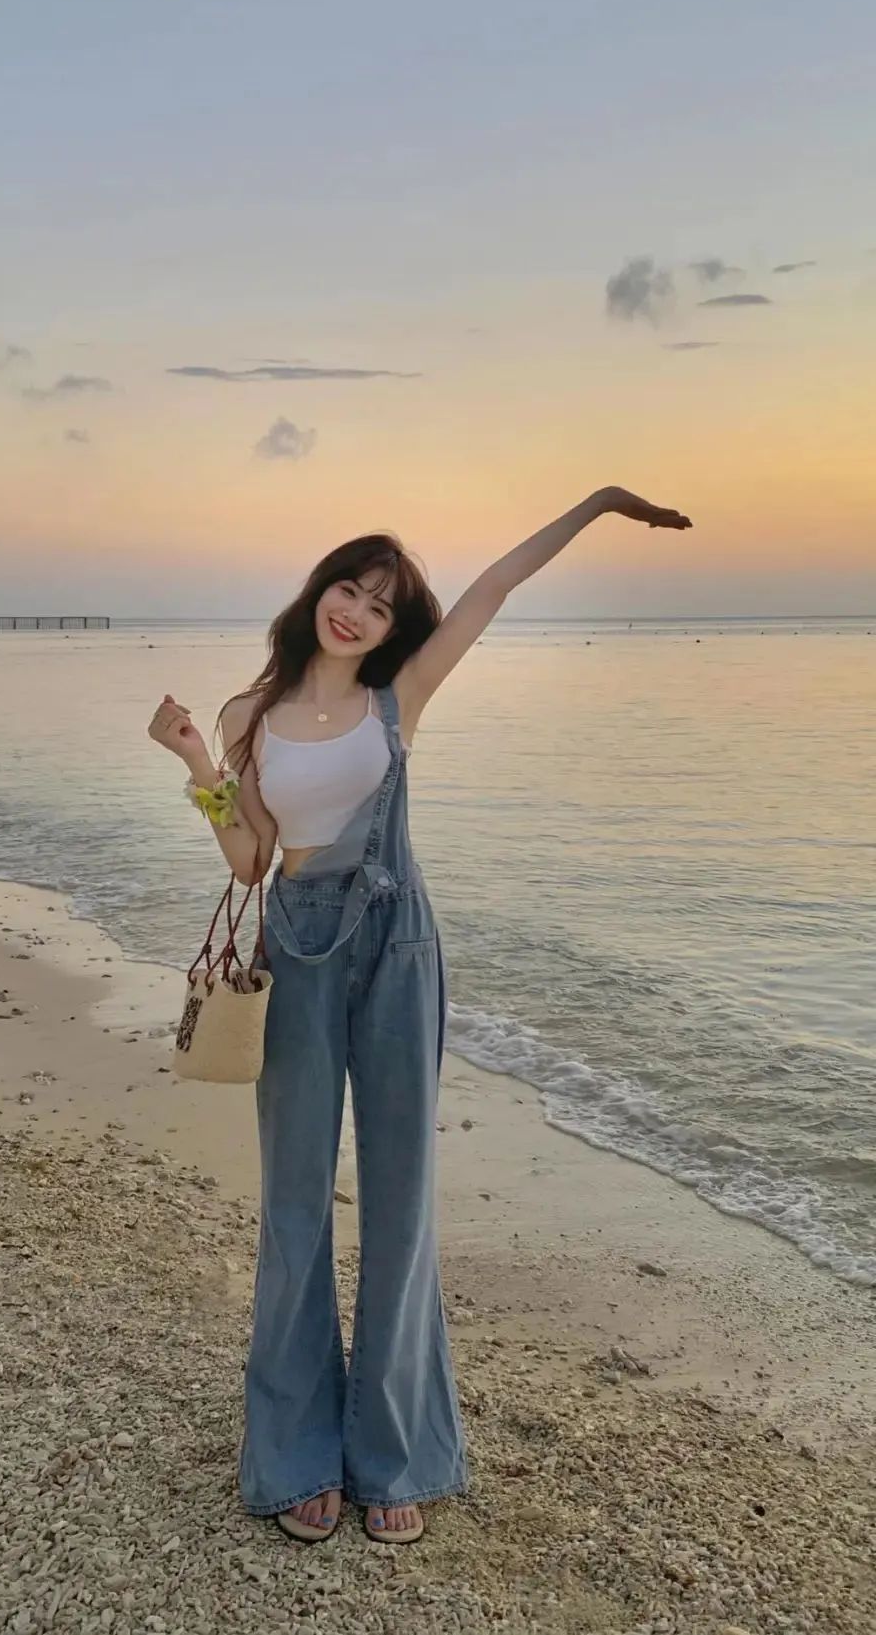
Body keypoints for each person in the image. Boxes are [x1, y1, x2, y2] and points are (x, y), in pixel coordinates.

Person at [148, 484, 691, 1546]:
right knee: (295, 1205)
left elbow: (494, 586)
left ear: (395, 628)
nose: (357, 612)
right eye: (350, 588)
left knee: (401, 1203)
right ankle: (297, 1455)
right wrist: (199, 765)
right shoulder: (250, 714)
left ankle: (393, 1455)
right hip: (297, 948)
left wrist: (597, 507)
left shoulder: (400, 699)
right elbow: (252, 860)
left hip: (398, 948)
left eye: (382, 605)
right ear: (321, 590)